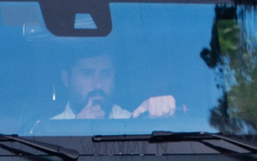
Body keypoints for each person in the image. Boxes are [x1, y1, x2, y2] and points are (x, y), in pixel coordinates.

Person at [51, 46, 181, 123]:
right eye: (87, 74)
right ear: (66, 79)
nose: (98, 85)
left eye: (106, 74)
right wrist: (76, 129)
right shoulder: (44, 131)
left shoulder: (131, 121)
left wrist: (161, 115)